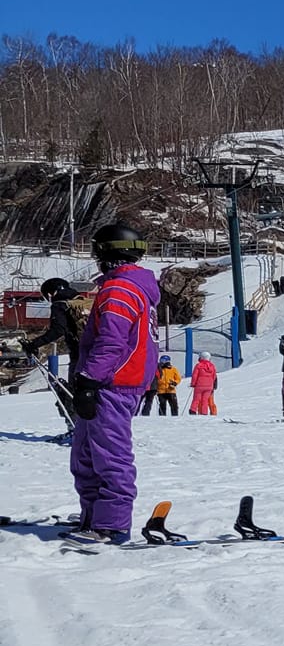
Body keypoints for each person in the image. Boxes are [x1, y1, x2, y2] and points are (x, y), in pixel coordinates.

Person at [64, 224, 161, 544]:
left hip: (113, 383)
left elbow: (112, 342)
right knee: (85, 454)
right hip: (110, 381)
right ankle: (94, 517)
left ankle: (113, 525)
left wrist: (90, 378)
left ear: (105, 252)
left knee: (109, 455)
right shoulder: (126, 286)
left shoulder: (121, 288)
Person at [29, 277, 86, 438]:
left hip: (78, 356)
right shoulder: (82, 301)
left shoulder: (59, 304)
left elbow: (57, 331)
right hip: (97, 355)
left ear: (50, 293)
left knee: (71, 394)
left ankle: (76, 431)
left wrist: (34, 344)